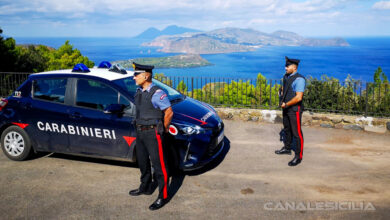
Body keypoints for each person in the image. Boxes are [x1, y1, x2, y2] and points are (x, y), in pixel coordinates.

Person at [129, 62, 174, 210]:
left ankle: (163, 196)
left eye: (137, 74)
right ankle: (146, 187)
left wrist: (165, 129)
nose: (134, 77)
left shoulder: (157, 93)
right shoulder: (139, 91)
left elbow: (169, 112)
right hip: (140, 131)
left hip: (153, 132)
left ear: (146, 75)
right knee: (142, 162)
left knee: (159, 166)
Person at [275, 57, 306, 166]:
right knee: (287, 129)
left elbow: (298, 98)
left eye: (287, 66)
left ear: (294, 67)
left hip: (294, 110)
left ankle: (298, 156)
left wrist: (286, 104)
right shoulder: (286, 76)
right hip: (286, 108)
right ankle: (287, 148)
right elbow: (284, 88)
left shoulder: (299, 80)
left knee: (297, 133)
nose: (285, 68)